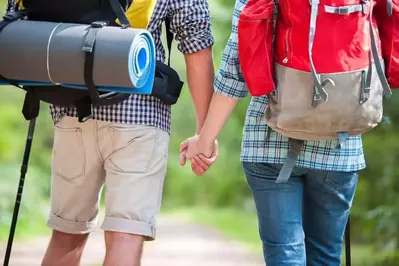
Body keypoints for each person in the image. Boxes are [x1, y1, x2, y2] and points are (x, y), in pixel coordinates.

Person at [180, 0, 365, 265]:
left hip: (269, 143)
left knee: (284, 255)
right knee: (325, 256)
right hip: (340, 143)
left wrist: (205, 140)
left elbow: (235, 73)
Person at [40, 0, 216, 265]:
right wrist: (205, 131)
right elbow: (197, 45)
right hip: (140, 114)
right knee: (126, 236)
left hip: (72, 108)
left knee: (66, 234)